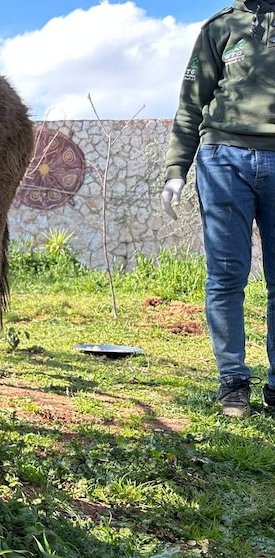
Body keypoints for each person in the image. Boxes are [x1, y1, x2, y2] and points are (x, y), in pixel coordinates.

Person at [161, 0, 275, 417]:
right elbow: (191, 103)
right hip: (224, 157)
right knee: (227, 275)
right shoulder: (220, 28)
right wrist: (177, 168)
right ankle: (233, 380)